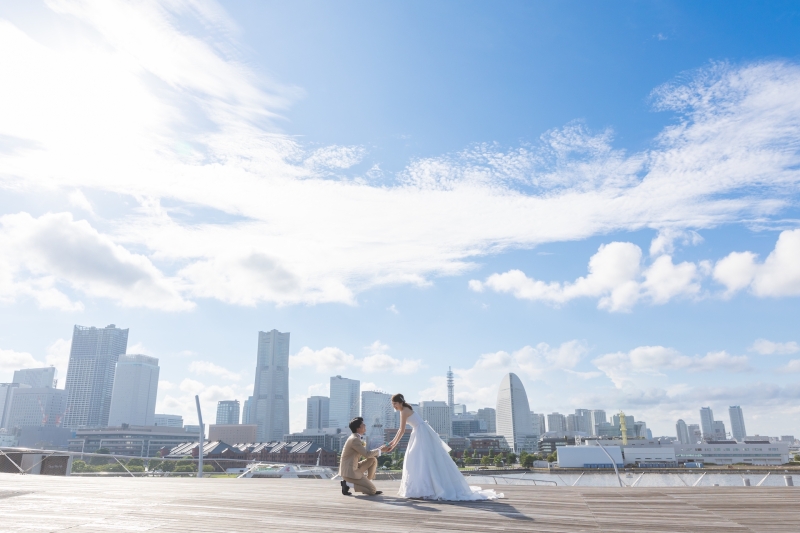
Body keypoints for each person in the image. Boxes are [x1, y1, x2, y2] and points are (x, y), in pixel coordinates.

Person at [386, 393, 503, 501]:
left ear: (400, 402)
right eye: (393, 404)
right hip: (420, 432)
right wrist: (392, 443)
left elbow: (401, 430)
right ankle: (424, 487)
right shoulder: (406, 408)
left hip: (420, 434)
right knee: (421, 460)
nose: (394, 406)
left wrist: (393, 444)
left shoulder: (404, 411)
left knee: (418, 459)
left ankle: (424, 488)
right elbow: (401, 430)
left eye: (395, 404)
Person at [339, 416, 390, 496]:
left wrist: (380, 449)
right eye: (363, 424)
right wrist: (380, 450)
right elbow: (366, 454)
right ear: (358, 428)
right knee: (372, 490)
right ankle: (347, 484)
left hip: (353, 467)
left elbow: (368, 455)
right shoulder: (354, 439)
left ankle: (367, 484)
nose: (365, 425)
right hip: (350, 472)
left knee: (373, 460)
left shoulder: (356, 438)